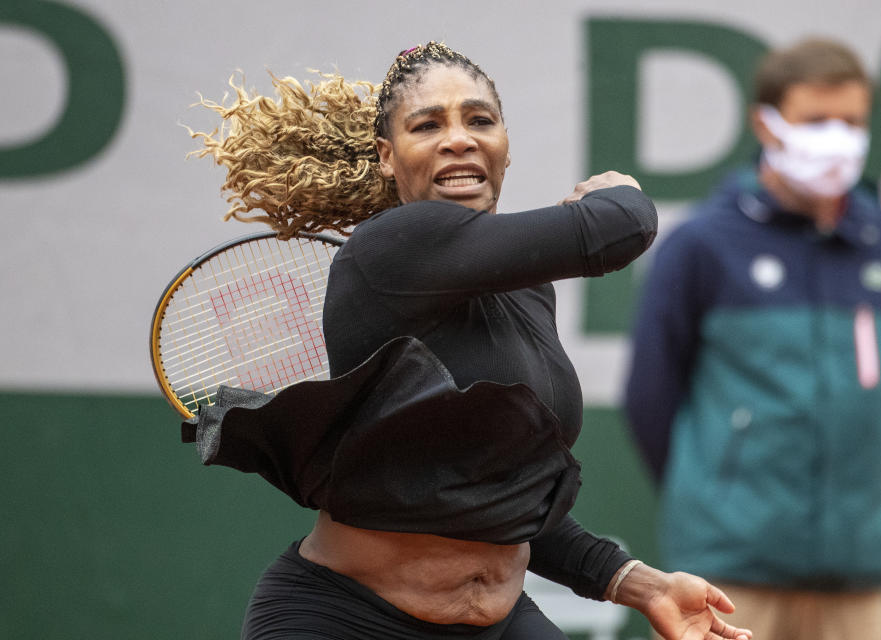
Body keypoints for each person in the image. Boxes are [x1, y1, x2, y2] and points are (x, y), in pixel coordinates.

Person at [184, 42, 753, 640]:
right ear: (386, 157)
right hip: (344, 619)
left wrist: (638, 582)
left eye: (479, 120)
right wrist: (619, 191)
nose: (459, 139)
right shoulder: (392, 244)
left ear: (504, 146)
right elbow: (622, 226)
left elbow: (497, 494)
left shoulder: (528, 291)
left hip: (500, 623)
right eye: (427, 125)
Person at [623, 37, 881, 640]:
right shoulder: (701, 246)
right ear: (765, 123)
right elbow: (649, 399)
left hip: (858, 578)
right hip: (728, 582)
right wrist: (717, 501)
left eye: (853, 121)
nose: (837, 138)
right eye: (817, 121)